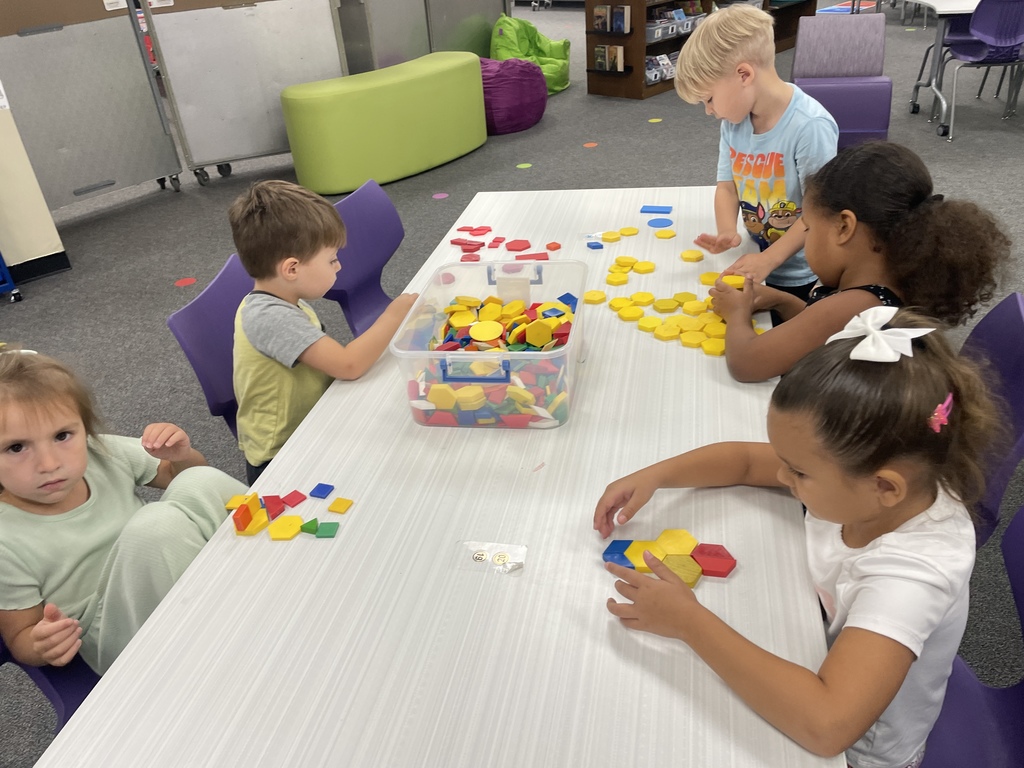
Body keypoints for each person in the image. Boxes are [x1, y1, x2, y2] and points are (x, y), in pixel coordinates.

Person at [593, 307, 1003, 768]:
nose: (783, 475)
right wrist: (656, 475)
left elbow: (828, 725)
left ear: (885, 486)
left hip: (861, 750)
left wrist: (689, 622)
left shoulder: (911, 575)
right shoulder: (872, 481)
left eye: (800, 472)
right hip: (817, 649)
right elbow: (746, 461)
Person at [0, 350, 246, 675]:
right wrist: (41, 644)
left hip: (165, 573)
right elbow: (20, 636)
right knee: (156, 525)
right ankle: (229, 612)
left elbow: (181, 475)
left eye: (63, 436)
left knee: (200, 480)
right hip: (113, 634)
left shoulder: (102, 451)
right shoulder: (6, 538)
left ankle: (268, 550)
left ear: (84, 429)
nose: (49, 464)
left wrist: (180, 455)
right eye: (16, 447)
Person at [708, 141, 1010, 382]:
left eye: (810, 228)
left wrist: (736, 313)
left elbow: (747, 364)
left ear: (844, 227)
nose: (807, 238)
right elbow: (826, 331)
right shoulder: (883, 288)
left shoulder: (858, 305)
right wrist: (782, 301)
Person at [229, 180, 417, 484]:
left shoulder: (282, 299)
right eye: (331, 259)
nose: (339, 266)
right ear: (292, 269)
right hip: (282, 457)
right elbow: (348, 365)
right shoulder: (269, 316)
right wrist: (393, 315)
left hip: (316, 425)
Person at [674, 4, 838, 307]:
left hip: (801, 274)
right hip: (757, 260)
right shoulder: (735, 123)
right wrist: (727, 231)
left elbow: (821, 213)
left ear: (744, 74)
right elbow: (727, 186)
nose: (710, 111)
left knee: (787, 343)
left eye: (709, 99)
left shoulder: (810, 127)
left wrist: (770, 259)